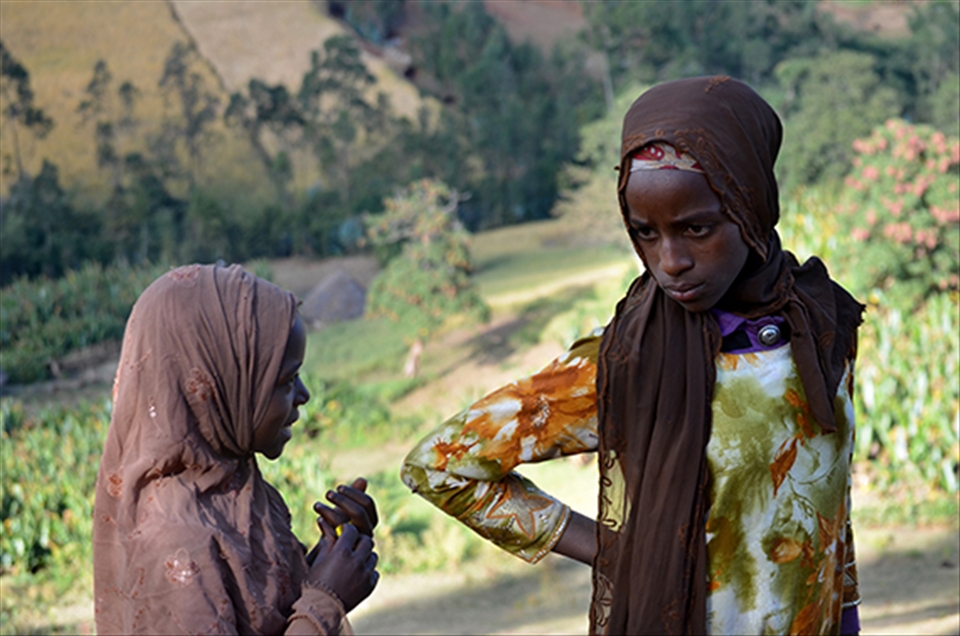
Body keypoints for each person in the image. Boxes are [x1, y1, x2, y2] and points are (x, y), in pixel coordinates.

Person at [401, 76, 865, 635]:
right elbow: (441, 465)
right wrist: (619, 551)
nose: (670, 261)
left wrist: (846, 609)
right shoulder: (626, 361)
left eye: (697, 228)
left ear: (751, 205)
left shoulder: (818, 323)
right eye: (645, 233)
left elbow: (826, 499)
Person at [94, 263, 379, 635]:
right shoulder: (175, 542)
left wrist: (333, 560)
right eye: (286, 380)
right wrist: (326, 599)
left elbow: (260, 617)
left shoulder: (236, 497)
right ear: (218, 387)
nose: (304, 395)